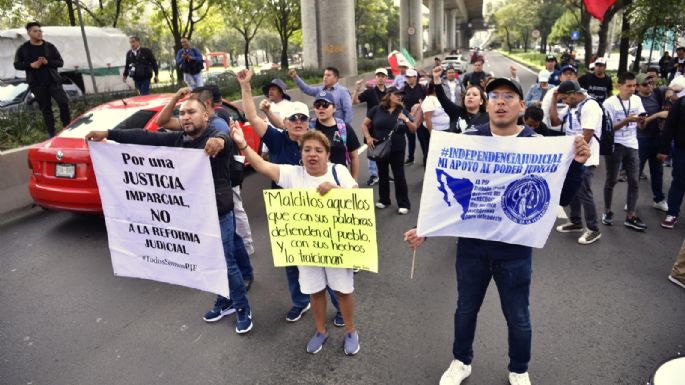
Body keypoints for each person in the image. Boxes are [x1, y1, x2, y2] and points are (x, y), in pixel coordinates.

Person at [404, 77, 590, 385]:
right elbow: (445, 191)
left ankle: (519, 368)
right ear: (487, 105)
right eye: (495, 96)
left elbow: (563, 199)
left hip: (514, 251)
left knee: (518, 317)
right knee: (465, 309)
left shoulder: (538, 145)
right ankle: (461, 361)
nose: (500, 101)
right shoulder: (468, 138)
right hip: (472, 248)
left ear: (520, 105)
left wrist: (577, 165)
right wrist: (424, 228)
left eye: (508, 96)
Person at [85, 97, 253, 334]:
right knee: (208, 261)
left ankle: (242, 307)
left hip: (219, 212)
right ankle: (224, 301)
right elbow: (143, 136)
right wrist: (108, 133)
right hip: (194, 214)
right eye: (182, 113)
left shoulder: (214, 134)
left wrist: (218, 141)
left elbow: (223, 139)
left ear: (205, 115)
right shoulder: (179, 139)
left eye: (191, 112)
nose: (185, 117)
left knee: (226, 263)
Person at [229, 125, 361, 355]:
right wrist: (242, 144)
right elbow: (261, 165)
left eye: (318, 150)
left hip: (337, 246)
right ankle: (321, 331)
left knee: (342, 291)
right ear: (301, 154)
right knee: (315, 290)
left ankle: (351, 331)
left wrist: (335, 188)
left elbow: (357, 197)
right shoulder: (292, 174)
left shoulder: (338, 170)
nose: (312, 154)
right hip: (307, 247)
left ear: (327, 154)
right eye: (307, 149)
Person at [236, 68, 345, 325]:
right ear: (284, 122)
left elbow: (337, 170)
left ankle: (340, 306)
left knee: (324, 263)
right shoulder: (276, 139)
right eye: (292, 118)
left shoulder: (316, 143)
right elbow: (251, 115)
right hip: (285, 213)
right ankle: (300, 302)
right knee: (291, 261)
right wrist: (246, 86)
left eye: (302, 119)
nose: (297, 122)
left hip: (317, 213)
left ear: (309, 123)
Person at [553, 80, 603, 244]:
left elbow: (587, 135)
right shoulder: (573, 106)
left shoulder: (590, 107)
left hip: (585, 158)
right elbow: (554, 121)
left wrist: (575, 159)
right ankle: (575, 221)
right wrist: (554, 99)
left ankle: (593, 229)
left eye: (564, 99)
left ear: (573, 94)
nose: (564, 102)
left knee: (584, 193)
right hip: (573, 157)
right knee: (573, 190)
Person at [602, 72, 648, 231]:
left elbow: (642, 123)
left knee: (634, 181)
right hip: (615, 145)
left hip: (632, 143)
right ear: (618, 86)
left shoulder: (637, 100)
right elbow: (607, 130)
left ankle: (631, 216)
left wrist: (642, 121)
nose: (632, 89)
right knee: (612, 180)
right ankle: (607, 211)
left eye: (634, 85)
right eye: (629, 86)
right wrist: (627, 120)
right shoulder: (609, 103)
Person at [362, 87, 417, 214]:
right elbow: (364, 124)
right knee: (382, 174)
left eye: (401, 95)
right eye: (397, 94)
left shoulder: (403, 111)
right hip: (380, 147)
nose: (399, 97)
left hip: (397, 148)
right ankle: (384, 200)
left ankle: (403, 204)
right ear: (389, 95)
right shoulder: (376, 109)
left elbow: (413, 129)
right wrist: (368, 137)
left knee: (399, 175)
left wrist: (406, 119)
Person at [13, 21, 70, 138]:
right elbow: (17, 65)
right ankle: (52, 134)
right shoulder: (23, 49)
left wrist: (47, 62)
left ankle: (67, 129)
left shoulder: (49, 47)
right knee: (46, 109)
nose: (39, 33)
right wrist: (31, 65)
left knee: (63, 103)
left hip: (53, 82)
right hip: (37, 84)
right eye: (35, 31)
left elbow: (60, 62)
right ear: (29, 33)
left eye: (40, 31)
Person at [635, 73, 670, 212]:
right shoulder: (635, 100)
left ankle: (659, 199)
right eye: (645, 84)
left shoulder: (656, 94)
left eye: (650, 82)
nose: (649, 86)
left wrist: (670, 90)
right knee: (636, 172)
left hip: (657, 138)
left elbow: (675, 88)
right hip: (641, 139)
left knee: (657, 171)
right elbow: (640, 124)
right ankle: (631, 200)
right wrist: (655, 115)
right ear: (637, 87)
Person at [310, 90, 361, 180]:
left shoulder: (344, 128)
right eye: (317, 105)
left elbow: (354, 157)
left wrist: (354, 181)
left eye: (325, 104)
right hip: (315, 181)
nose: (321, 108)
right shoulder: (309, 128)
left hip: (340, 180)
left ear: (334, 108)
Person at [353, 68, 389, 186]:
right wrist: (357, 89)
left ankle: (385, 173)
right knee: (372, 149)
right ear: (375, 78)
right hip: (371, 127)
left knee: (385, 150)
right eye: (378, 75)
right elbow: (355, 101)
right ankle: (374, 175)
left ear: (386, 78)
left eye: (383, 76)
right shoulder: (370, 92)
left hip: (385, 127)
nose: (380, 78)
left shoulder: (390, 93)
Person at [658, 76, 685, 229]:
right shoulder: (681, 103)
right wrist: (663, 150)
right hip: (682, 150)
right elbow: (669, 128)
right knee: (679, 181)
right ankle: (672, 214)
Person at [432, 66, 489, 133]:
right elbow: (442, 98)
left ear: (481, 101)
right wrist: (436, 78)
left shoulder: (488, 117)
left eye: (474, 95)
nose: (470, 97)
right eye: (467, 95)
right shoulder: (456, 112)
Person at [400, 68, 426, 165]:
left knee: (422, 138)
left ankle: (425, 156)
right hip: (408, 118)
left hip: (420, 118)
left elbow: (428, 100)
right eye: (407, 77)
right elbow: (400, 102)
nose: (408, 79)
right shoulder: (403, 89)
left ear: (415, 77)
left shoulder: (422, 88)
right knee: (410, 139)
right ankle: (410, 158)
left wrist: (420, 105)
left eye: (410, 77)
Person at [543, 64, 579, 132]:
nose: (568, 76)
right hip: (553, 131)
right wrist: (544, 131)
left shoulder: (580, 94)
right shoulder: (552, 93)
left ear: (576, 78)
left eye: (571, 74)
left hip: (574, 132)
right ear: (560, 78)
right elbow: (544, 112)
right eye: (565, 74)